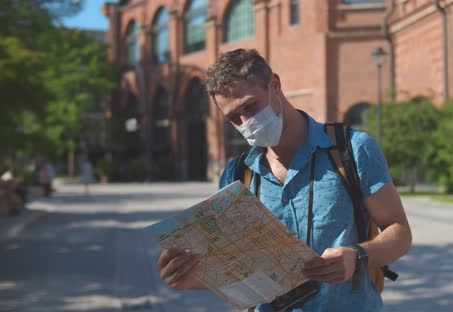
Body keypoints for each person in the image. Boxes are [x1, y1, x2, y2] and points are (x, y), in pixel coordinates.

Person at [156, 49, 412, 311]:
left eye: (250, 106)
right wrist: (193, 278)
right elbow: (238, 271)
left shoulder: (352, 149)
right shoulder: (236, 175)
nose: (246, 122)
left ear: (274, 85)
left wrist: (358, 256)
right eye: (234, 118)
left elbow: (400, 232)